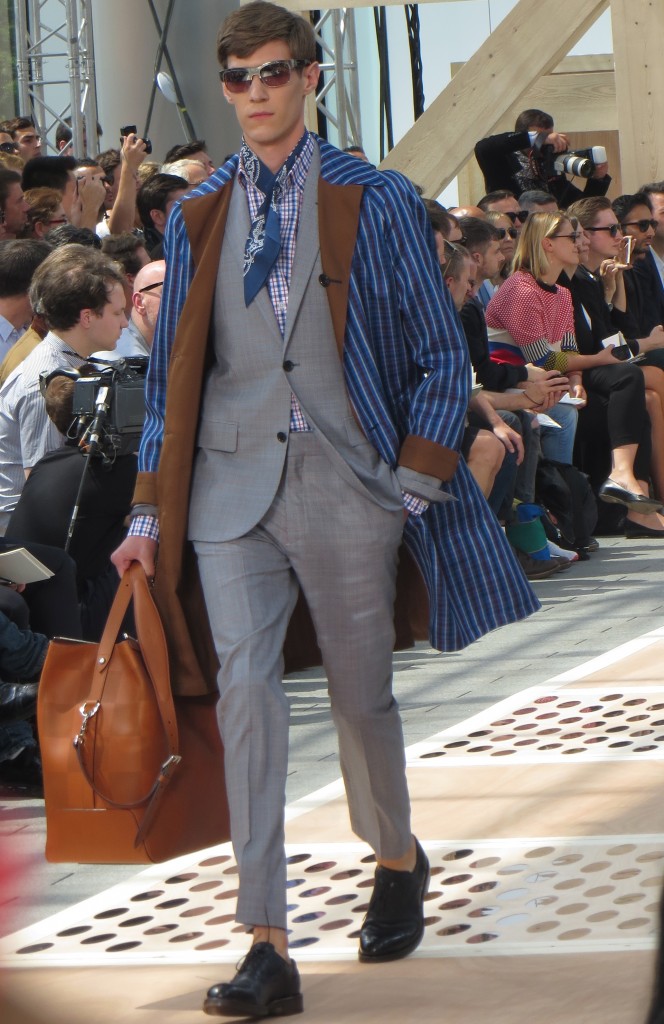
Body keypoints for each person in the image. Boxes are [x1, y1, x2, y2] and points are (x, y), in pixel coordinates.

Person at [112, 3, 538, 1017]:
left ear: (309, 78)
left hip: (352, 483)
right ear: (224, 90)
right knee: (249, 701)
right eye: (236, 79)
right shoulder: (198, 207)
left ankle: (394, 853)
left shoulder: (376, 198)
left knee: (359, 700)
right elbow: (177, 374)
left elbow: (442, 352)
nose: (254, 93)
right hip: (225, 487)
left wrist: (417, 478)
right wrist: (143, 511)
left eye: (271, 73)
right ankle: (267, 941)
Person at [0, 245, 127, 532]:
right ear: (86, 317)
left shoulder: (72, 363)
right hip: (28, 549)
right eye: (118, 312)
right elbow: (45, 491)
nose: (125, 322)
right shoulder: (42, 382)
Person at [474, 107, 611, 207]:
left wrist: (597, 179)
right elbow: (483, 147)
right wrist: (536, 138)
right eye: (541, 137)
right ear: (523, 135)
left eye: (548, 135)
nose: (545, 143)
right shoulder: (502, 159)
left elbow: (580, 208)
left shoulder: (550, 165)